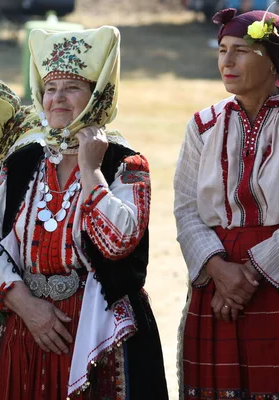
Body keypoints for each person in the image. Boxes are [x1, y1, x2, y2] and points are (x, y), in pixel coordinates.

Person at [0, 27, 169, 399]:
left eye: (72, 87)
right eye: (50, 88)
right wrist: (25, 304)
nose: (57, 98)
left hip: (95, 328)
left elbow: (118, 242)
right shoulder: (23, 161)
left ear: (97, 95)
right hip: (23, 321)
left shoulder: (125, 163)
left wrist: (91, 170)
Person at [176, 8, 279, 398]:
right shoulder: (203, 125)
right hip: (215, 280)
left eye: (241, 50)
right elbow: (186, 209)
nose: (227, 61)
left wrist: (248, 273)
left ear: (272, 59)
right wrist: (218, 270)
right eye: (222, 50)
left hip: (272, 276)